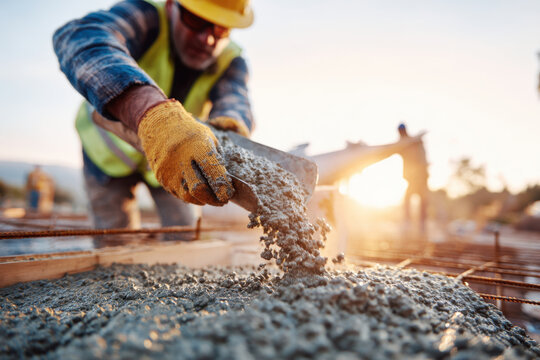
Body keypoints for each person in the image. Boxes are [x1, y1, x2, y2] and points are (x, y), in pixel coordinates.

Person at [53, 0, 254, 234]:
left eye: (221, 29)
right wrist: (153, 115)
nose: (207, 39)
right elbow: (78, 38)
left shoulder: (230, 59)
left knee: (184, 236)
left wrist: (230, 131)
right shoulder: (145, 16)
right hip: (108, 157)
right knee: (115, 244)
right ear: (171, 6)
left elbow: (236, 103)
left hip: (179, 158)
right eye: (196, 21)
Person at [398, 123, 429, 235]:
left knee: (422, 201)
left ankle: (421, 225)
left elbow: (422, 157)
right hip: (411, 178)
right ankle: (409, 223)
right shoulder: (402, 144)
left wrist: (423, 174)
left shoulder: (415, 142)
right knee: (408, 199)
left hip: (420, 176)